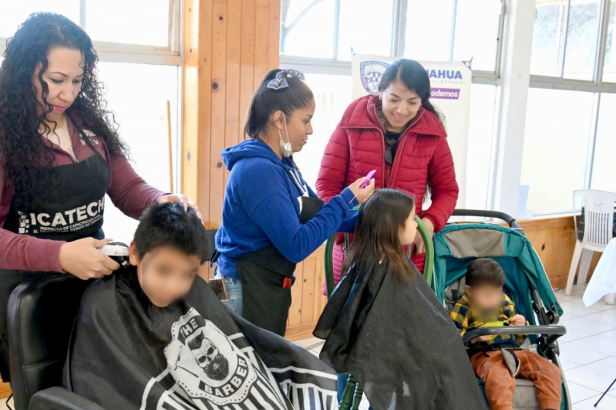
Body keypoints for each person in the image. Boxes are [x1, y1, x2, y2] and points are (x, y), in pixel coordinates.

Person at [0, 13, 193, 382]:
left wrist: (160, 199)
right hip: (30, 301)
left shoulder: (86, 123)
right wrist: (60, 255)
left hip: (92, 293)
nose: (68, 94)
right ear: (24, 72)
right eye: (55, 80)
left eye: (77, 81)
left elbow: (128, 189)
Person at [64, 203, 338, 409]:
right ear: (135, 252)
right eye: (163, 270)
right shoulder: (105, 304)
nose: (173, 286)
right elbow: (109, 383)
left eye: (187, 274)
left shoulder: (194, 292)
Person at [214, 69, 374, 336]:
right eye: (306, 120)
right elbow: (296, 245)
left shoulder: (283, 166)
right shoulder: (257, 172)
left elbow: (318, 214)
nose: (310, 130)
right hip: (246, 290)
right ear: (279, 119)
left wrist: (373, 218)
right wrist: (347, 198)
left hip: (266, 286)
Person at [314, 189, 486, 410]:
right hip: (381, 346)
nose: (416, 225)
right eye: (412, 219)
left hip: (386, 339)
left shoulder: (380, 259)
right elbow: (385, 319)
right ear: (394, 227)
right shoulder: (381, 265)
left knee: (445, 348)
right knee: (444, 360)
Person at [316, 58, 459, 291]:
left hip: (407, 255)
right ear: (381, 91)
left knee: (400, 312)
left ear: (422, 101)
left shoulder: (433, 136)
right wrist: (345, 225)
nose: (401, 110)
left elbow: (448, 191)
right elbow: (326, 184)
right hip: (353, 248)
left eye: (412, 102)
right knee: (346, 311)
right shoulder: (351, 124)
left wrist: (429, 223)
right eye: (394, 99)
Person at [450, 258, 562, 410]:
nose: (493, 300)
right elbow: (453, 340)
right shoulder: (463, 306)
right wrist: (474, 338)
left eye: (497, 293)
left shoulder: (504, 301)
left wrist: (522, 325)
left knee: (550, 370)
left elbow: (519, 338)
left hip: (514, 350)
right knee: (499, 378)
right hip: (484, 355)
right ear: (469, 291)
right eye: (487, 295)